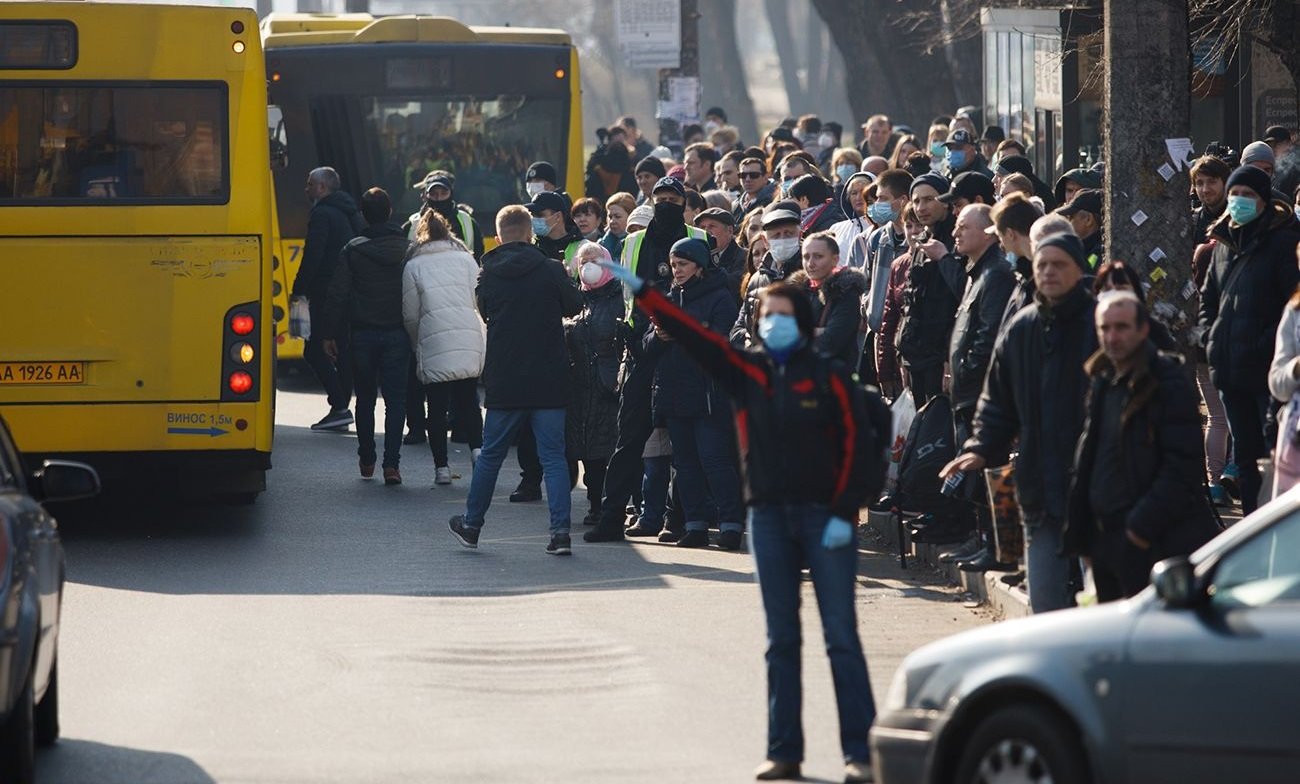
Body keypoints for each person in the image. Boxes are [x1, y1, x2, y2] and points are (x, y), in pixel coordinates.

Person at [606, 264, 886, 784]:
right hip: (769, 521)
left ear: (802, 322)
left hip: (826, 521)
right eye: (765, 315)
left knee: (841, 638)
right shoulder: (750, 371)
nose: (774, 323)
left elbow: (858, 449)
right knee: (780, 640)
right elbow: (696, 337)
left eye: (783, 315)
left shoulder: (827, 376)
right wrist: (644, 291)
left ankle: (861, 753)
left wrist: (846, 512)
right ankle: (784, 752)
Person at [942, 233, 1099, 613]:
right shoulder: (1022, 328)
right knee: (1044, 597)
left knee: (1100, 599)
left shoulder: (1101, 325)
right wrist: (980, 447)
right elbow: (998, 400)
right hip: (1038, 480)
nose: (1047, 272)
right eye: (1042, 264)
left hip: (1094, 482)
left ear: (1080, 270)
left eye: (1058, 264)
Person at [448, 205, 584, 555]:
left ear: (499, 235)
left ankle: (472, 525)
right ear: (529, 233)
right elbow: (572, 305)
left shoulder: (488, 272)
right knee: (553, 457)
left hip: (506, 377)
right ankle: (560, 534)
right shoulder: (551, 269)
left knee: (491, 456)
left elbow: (486, 312)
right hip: (549, 376)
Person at [1067, 292, 1219, 601]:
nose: (1112, 337)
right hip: (1107, 540)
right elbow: (1092, 456)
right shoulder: (1102, 380)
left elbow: (1181, 469)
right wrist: (1083, 532)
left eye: (1121, 327)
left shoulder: (1168, 382)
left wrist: (1138, 530)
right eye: (1105, 328)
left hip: (1152, 544)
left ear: (1142, 329)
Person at [581, 176, 707, 543]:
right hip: (642, 349)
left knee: (683, 444)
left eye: (673, 198)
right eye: (660, 198)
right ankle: (611, 518)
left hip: (685, 352)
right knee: (629, 440)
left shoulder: (698, 238)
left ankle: (677, 519)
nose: (666, 203)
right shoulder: (633, 242)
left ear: (684, 203)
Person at [1199, 165, 1300, 513]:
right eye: (1235, 194)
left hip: (1265, 371)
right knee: (1244, 458)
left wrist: (1269, 345)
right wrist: (1211, 337)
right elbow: (1209, 296)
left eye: (1248, 195)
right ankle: (1250, 531)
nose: (1239, 201)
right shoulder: (1224, 242)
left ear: (1265, 201)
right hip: (1229, 369)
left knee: (1273, 457)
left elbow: (1293, 302)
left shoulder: (1283, 243)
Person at [645, 237, 744, 549]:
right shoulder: (667, 298)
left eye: (683, 264)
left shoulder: (720, 298)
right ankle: (695, 525)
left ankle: (730, 525)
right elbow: (646, 346)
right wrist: (659, 335)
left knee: (714, 461)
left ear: (700, 266)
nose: (677, 271)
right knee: (684, 465)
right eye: (674, 265)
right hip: (675, 394)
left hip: (708, 395)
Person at [321, 187, 411, 484]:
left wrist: (330, 334)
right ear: (389, 212)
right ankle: (391, 465)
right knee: (396, 401)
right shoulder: (408, 249)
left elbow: (338, 294)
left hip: (362, 334)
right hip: (398, 333)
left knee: (365, 399)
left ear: (363, 215)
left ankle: (367, 457)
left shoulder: (354, 249)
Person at [943, 204, 1015, 571]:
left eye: (963, 227)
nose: (955, 234)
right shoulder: (977, 273)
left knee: (990, 468)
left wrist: (969, 373)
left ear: (988, 232)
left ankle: (999, 548)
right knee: (974, 476)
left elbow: (988, 337)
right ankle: (983, 539)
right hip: (966, 392)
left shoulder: (997, 274)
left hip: (981, 392)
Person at [402, 209, 485, 486]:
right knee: (469, 401)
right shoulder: (466, 258)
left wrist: (417, 342)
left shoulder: (413, 265)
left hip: (433, 336)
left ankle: (442, 468)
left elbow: (411, 314)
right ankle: (478, 453)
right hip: (467, 334)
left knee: (436, 407)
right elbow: (478, 299)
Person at [292, 166, 364, 432]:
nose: (306, 188)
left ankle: (340, 407)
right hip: (349, 289)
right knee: (342, 349)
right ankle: (340, 409)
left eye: (310, 183)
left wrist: (298, 288)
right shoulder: (351, 213)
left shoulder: (322, 214)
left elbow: (314, 255)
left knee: (313, 350)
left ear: (322, 188)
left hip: (325, 290)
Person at [565, 242, 626, 526]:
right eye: (583, 261)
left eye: (595, 260)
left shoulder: (619, 295)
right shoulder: (575, 299)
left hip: (608, 382)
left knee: (607, 448)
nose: (589, 266)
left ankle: (608, 504)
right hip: (578, 384)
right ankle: (593, 503)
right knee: (586, 447)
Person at [896, 173, 962, 404]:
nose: (921, 207)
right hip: (916, 355)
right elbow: (909, 300)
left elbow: (963, 297)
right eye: (916, 201)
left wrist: (944, 259)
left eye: (928, 199)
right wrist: (902, 353)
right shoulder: (922, 239)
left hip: (941, 358)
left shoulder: (956, 239)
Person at [731, 201, 804, 349]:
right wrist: (749, 341)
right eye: (776, 235)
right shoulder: (757, 279)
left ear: (800, 235)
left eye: (789, 234)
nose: (782, 239)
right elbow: (737, 329)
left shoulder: (810, 275)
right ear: (765, 241)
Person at [790, 231, 866, 365]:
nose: (810, 263)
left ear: (835, 259)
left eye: (818, 256)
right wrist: (816, 332)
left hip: (834, 376)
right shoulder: (796, 292)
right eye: (806, 257)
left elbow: (832, 341)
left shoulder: (846, 292)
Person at [988, 193, 1045, 330]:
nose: (1001, 245)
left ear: (1010, 234)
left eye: (1000, 237)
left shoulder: (1040, 275)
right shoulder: (1025, 272)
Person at [695, 206, 745, 298]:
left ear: (730, 231)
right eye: (702, 227)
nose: (706, 232)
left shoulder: (744, 257)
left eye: (712, 226)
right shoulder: (695, 258)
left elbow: (736, 284)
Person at [528, 191, 585, 266]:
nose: (534, 219)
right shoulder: (530, 245)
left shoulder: (583, 248)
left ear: (558, 216)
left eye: (539, 215)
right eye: (532, 215)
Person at [1057, 188, 1105, 269]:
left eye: (1070, 217)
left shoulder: (1099, 253)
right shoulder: (1085, 249)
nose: (1067, 222)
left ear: (1088, 219)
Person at [1190, 155, 1231, 241]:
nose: (1205, 190)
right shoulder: (1192, 222)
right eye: (1200, 183)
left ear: (1226, 183)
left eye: (1212, 182)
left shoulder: (1239, 219)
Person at [735, 156, 776, 221]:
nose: (747, 179)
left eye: (754, 175)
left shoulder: (774, 202)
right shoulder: (735, 205)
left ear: (765, 178)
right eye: (743, 175)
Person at [600, 192, 636, 261]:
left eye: (617, 216)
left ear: (631, 216)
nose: (612, 221)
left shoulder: (637, 243)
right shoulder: (600, 244)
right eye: (610, 217)